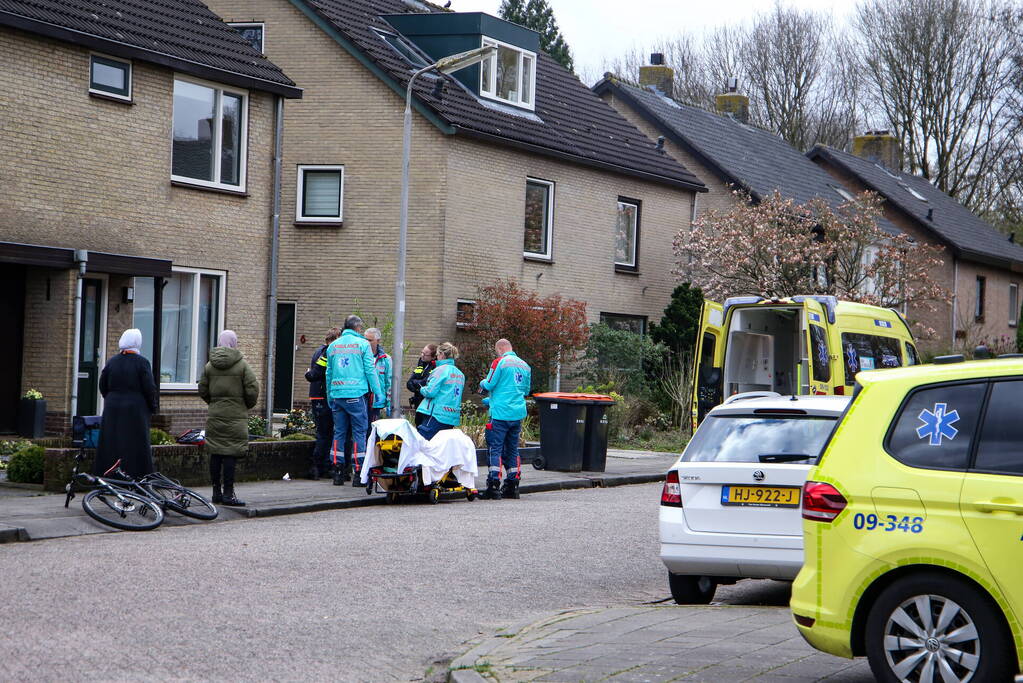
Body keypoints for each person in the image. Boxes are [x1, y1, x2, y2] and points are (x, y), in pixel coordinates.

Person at [198, 330, 259, 506]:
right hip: (235, 415)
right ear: (234, 342)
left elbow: (202, 389)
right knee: (230, 453)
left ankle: (216, 492)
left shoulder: (210, 366)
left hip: (216, 414)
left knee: (216, 453)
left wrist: (214, 402)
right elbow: (252, 389)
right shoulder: (242, 366)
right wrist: (245, 405)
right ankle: (228, 494)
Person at [93, 329, 159, 479]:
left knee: (111, 442)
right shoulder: (142, 363)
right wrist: (152, 406)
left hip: (112, 408)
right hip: (135, 409)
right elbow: (149, 388)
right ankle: (136, 475)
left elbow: (102, 384)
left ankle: (108, 475)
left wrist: (111, 399)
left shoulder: (112, 361)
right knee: (135, 443)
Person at [326, 315, 383, 486]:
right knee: (359, 433)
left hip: (337, 395)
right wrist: (378, 392)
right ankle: (358, 474)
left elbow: (328, 373)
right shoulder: (363, 345)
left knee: (339, 433)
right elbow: (370, 371)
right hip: (356, 395)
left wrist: (330, 394)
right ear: (358, 328)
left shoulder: (333, 346)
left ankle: (337, 472)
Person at [479, 339, 531, 500]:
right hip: (517, 413)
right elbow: (526, 390)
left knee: (495, 448)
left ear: (500, 348)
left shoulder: (499, 362)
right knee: (512, 449)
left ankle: (493, 485)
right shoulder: (525, 366)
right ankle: (512, 484)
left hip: (500, 414)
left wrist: (482, 383)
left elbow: (489, 384)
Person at [304, 327, 340, 480]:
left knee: (326, 433)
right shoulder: (326, 352)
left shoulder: (319, 351)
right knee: (325, 433)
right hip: (322, 397)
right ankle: (317, 467)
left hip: (318, 396)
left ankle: (323, 466)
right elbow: (316, 374)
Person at [416, 342, 465, 440]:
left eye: (437, 355)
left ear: (442, 355)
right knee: (441, 447)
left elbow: (430, 392)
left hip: (436, 414)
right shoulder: (460, 374)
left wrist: (421, 388)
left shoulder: (440, 370)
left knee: (423, 444)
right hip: (451, 417)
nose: (436, 357)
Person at [406, 344, 437, 426]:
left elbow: (425, 382)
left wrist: (416, 383)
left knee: (425, 425)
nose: (422, 355)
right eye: (422, 352)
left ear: (433, 357)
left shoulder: (435, 367)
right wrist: (417, 387)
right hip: (418, 400)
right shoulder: (421, 364)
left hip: (427, 402)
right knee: (418, 423)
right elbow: (409, 383)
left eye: (425, 354)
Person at [364, 327, 392, 419]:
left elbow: (389, 382)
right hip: (362, 401)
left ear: (378, 341)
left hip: (377, 402)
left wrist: (388, 402)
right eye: (365, 339)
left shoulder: (385, 359)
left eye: (370, 340)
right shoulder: (359, 357)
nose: (367, 342)